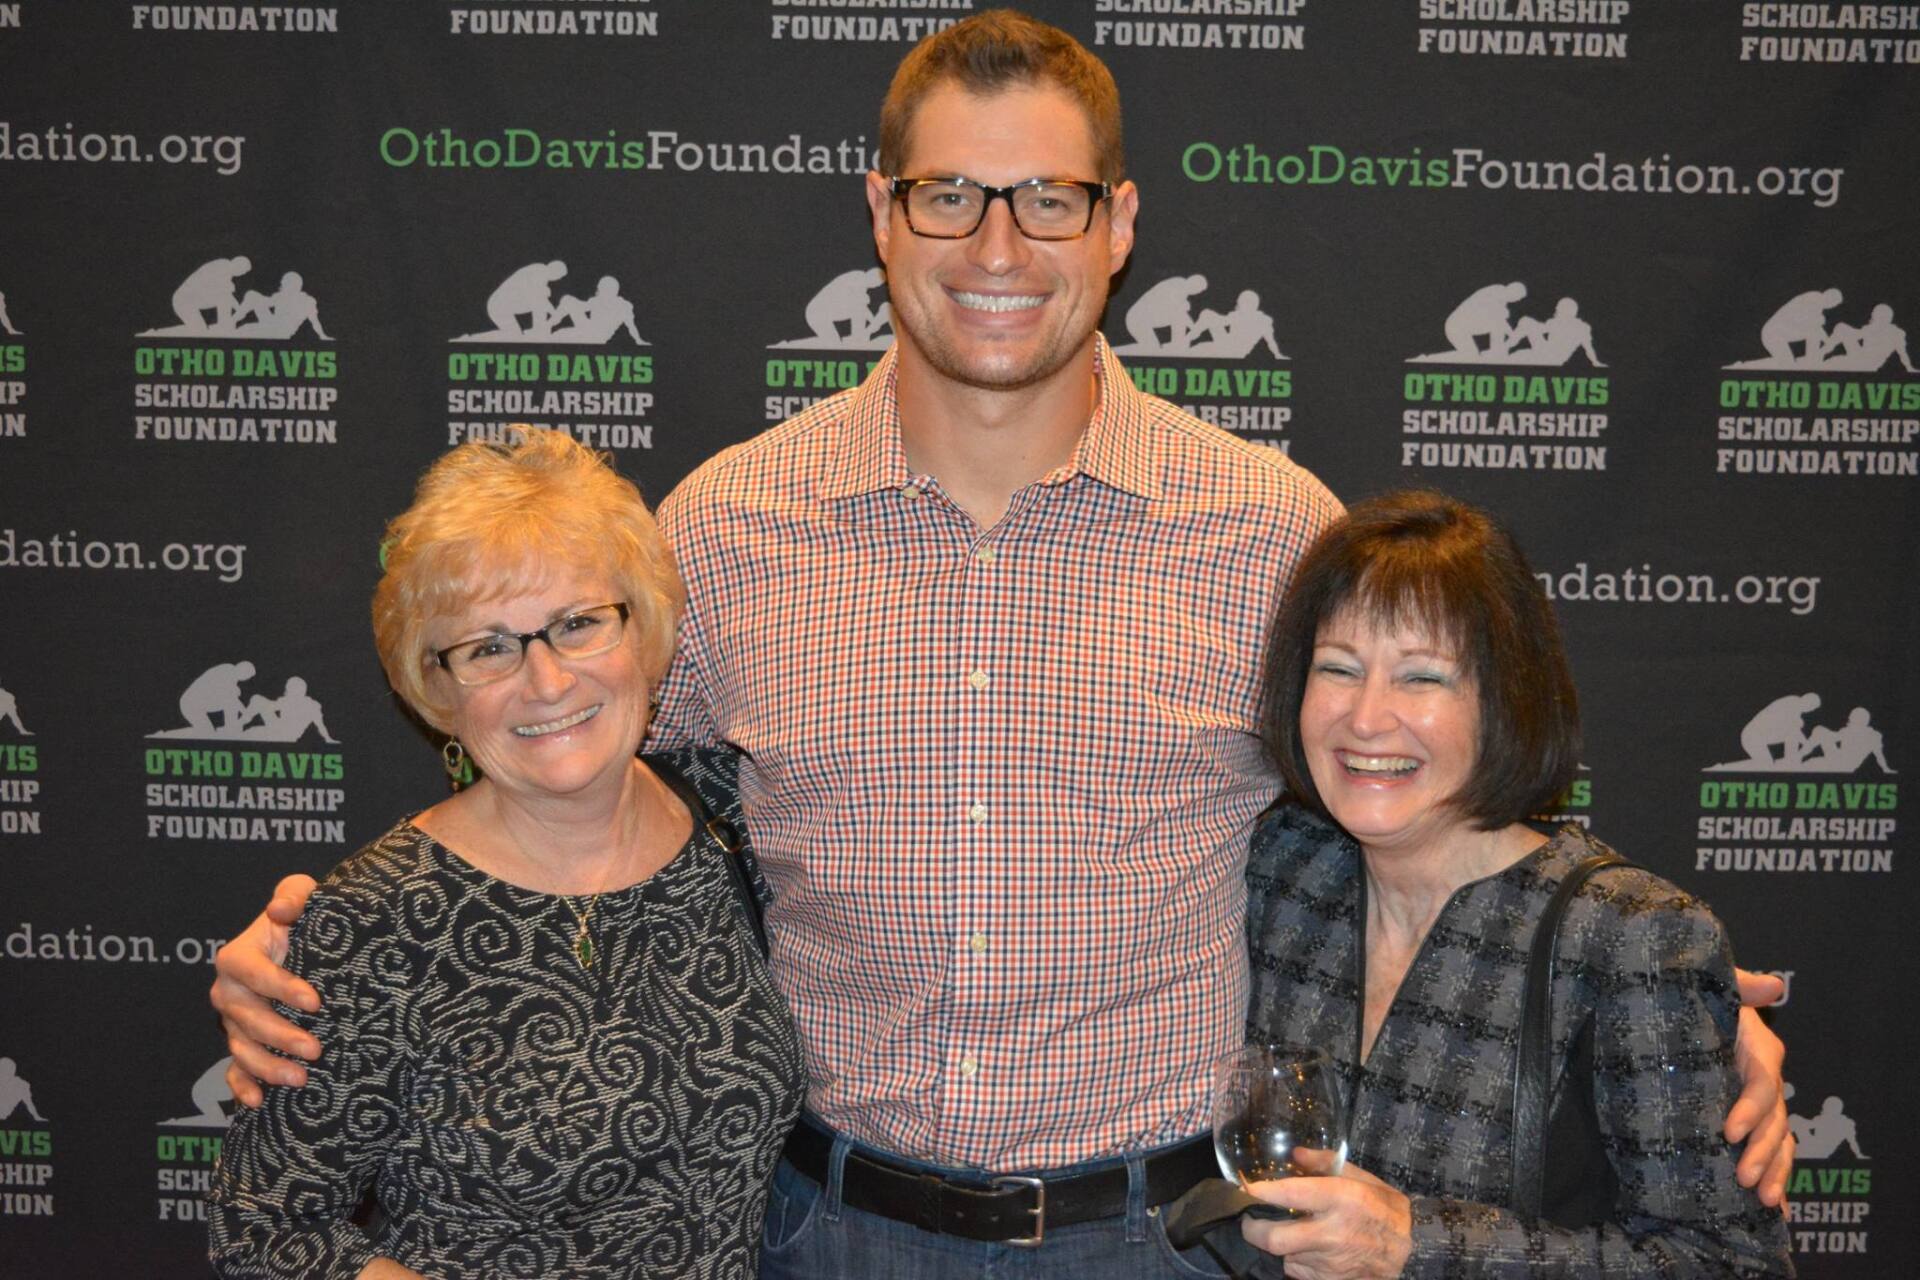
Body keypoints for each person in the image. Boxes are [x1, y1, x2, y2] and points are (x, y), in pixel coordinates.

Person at [210, 13, 1793, 1276]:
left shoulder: (1267, 529)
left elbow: (1422, 796)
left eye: (1046, 197)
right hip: (820, 1231)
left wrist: (1645, 998)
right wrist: (335, 944)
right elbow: (579, 794)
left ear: (1118, 225)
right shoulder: (725, 528)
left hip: (1165, 1237)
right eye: (950, 193)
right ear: (882, 214)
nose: (996, 245)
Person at [206, 431, 805, 1279]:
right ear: (437, 689)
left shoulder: (731, 818)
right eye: (489, 647)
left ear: (647, 631)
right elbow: (265, 1233)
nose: (548, 680)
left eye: (578, 624)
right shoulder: (380, 917)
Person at [1235, 491, 1793, 1277]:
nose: (1365, 718)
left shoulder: (1632, 936)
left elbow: (1728, 1263)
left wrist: (1416, 1245)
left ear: (1505, 700)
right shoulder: (1282, 870)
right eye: (1339, 668)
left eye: (1422, 678)